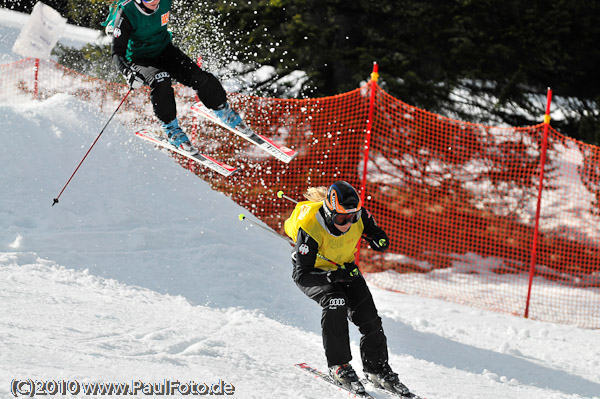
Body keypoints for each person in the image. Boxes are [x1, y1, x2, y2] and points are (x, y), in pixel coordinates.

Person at [284, 181, 411, 395]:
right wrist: (331, 276)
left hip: (345, 268)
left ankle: (377, 369)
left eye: (353, 217)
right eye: (343, 218)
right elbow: (301, 276)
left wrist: (379, 239)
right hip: (317, 273)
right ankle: (339, 365)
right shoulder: (311, 227)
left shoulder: (358, 215)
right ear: (329, 212)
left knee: (369, 318)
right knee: (336, 302)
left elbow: (374, 232)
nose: (349, 223)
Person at [110, 0, 252, 154]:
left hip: (164, 50)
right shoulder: (127, 11)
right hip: (139, 59)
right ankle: (171, 127)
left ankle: (222, 108)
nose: (155, 1)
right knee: (161, 79)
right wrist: (127, 72)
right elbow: (117, 52)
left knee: (199, 77)